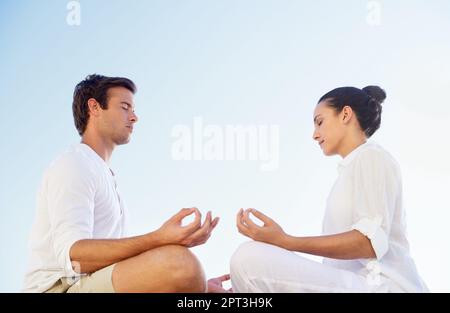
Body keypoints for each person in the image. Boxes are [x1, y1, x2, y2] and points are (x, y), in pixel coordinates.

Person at [24, 74, 230, 293]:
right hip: (60, 288)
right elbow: (75, 258)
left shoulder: (105, 174)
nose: (134, 117)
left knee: (188, 275)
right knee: (179, 265)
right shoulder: (74, 163)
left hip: (89, 283)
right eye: (125, 107)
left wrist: (199, 287)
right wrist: (159, 239)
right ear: (94, 108)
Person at [230, 85, 428, 293]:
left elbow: (368, 242)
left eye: (320, 122)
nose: (315, 135)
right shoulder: (349, 171)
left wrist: (285, 241)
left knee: (248, 259)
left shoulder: (371, 156)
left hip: (384, 287)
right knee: (247, 268)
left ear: (345, 114)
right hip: (356, 285)